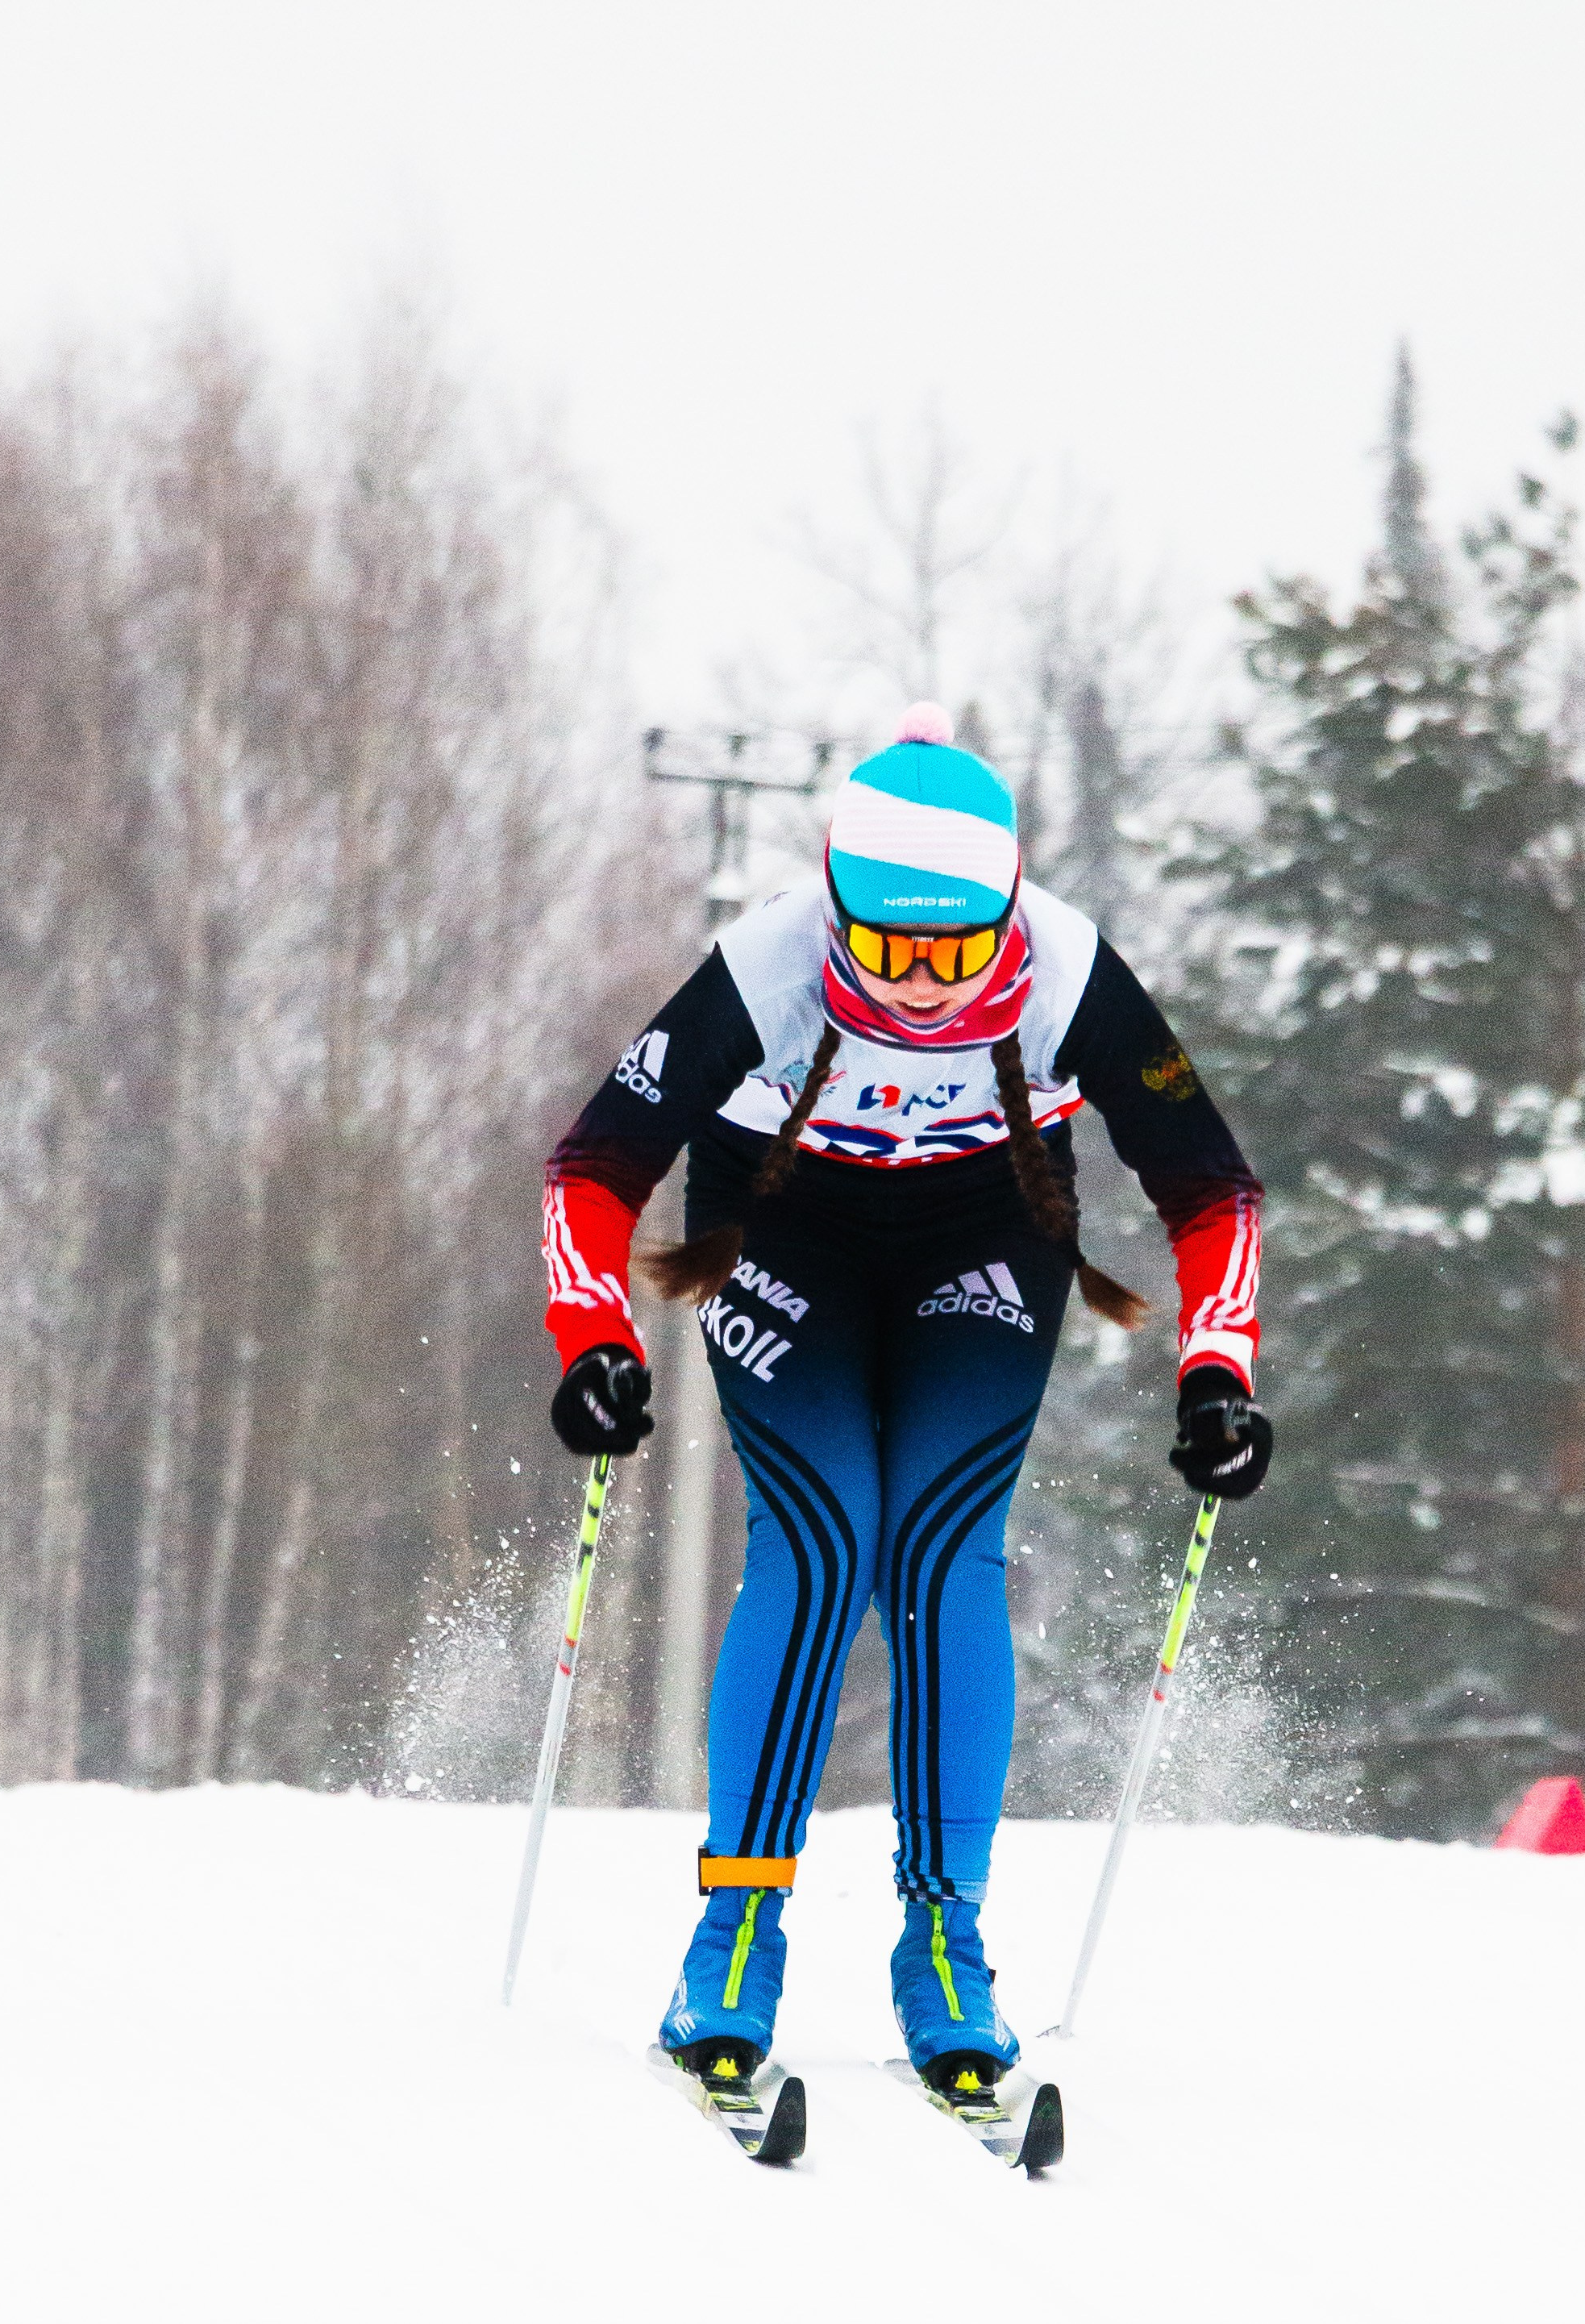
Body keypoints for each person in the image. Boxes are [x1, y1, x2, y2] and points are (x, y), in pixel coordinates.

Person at [542, 702, 1270, 2101]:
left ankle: (944, 1939)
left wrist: (1216, 1370)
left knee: (941, 1550)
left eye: (952, 948)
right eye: (887, 946)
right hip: (780, 1234)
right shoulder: (766, 962)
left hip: (986, 1235)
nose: (926, 983)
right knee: (821, 1545)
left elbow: (1209, 1186)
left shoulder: (1065, 969)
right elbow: (593, 1167)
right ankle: (735, 1927)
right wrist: (591, 1338)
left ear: (1004, 908)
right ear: (837, 909)